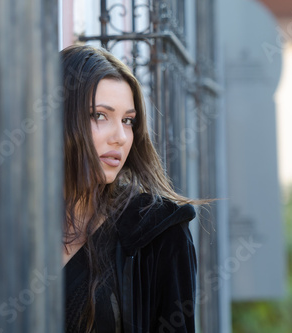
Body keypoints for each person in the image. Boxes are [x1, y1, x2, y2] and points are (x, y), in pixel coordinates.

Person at [61, 45, 201, 333]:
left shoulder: (158, 232)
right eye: (100, 115)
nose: (121, 137)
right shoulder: (0, 224)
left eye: (128, 120)